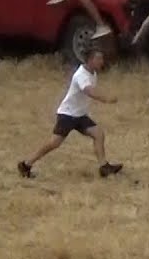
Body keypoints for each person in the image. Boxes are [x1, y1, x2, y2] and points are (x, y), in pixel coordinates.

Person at [18, 50, 124, 180]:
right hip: (67, 115)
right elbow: (89, 91)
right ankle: (26, 164)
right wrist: (106, 99)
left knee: (98, 134)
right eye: (99, 59)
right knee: (54, 143)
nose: (102, 62)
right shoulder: (81, 75)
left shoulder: (92, 73)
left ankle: (104, 167)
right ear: (90, 60)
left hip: (79, 115)